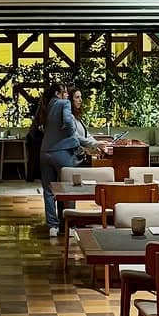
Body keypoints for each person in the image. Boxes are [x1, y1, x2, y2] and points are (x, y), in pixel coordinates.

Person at [40, 82, 98, 237]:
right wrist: (72, 135)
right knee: (68, 189)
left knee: (48, 190)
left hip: (45, 152)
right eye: (64, 92)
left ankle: (52, 226)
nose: (67, 95)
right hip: (62, 152)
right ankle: (68, 226)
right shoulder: (64, 103)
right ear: (58, 93)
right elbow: (67, 122)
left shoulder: (47, 105)